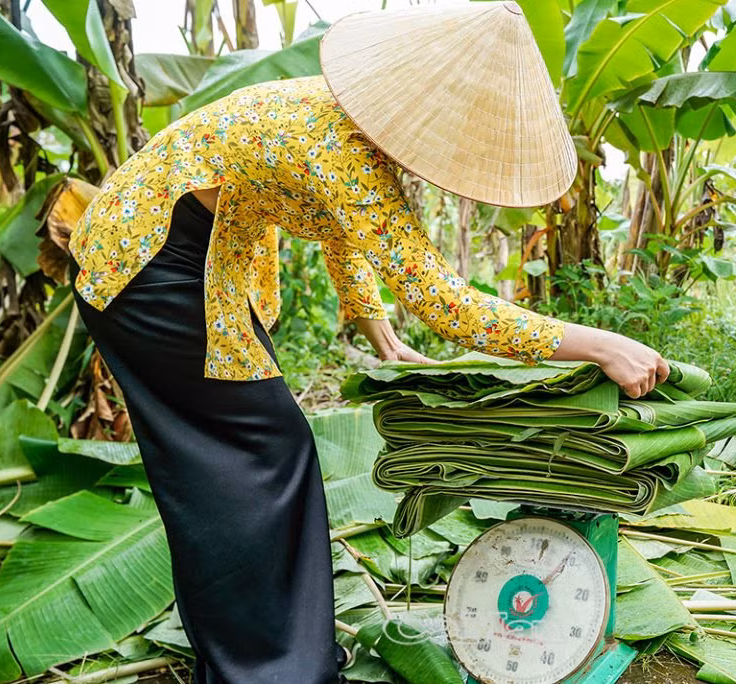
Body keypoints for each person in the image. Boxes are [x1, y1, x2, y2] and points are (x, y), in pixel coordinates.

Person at [66, 2, 669, 682]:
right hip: (148, 265)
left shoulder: (337, 120)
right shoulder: (342, 146)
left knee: (237, 461)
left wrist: (372, 322)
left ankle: (268, 658)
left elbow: (336, 223)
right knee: (256, 456)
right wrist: (598, 344)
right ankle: (270, 668)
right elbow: (445, 305)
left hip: (195, 258)